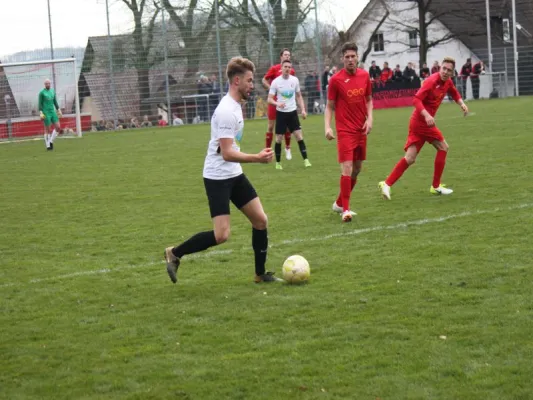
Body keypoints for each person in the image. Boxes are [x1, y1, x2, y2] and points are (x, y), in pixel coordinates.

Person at [164, 56, 279, 284]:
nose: (251, 85)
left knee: (260, 220)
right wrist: (256, 158)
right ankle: (174, 253)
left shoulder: (236, 106)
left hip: (234, 174)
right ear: (236, 80)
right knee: (221, 235)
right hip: (217, 177)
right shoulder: (226, 110)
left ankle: (260, 273)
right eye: (248, 80)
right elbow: (226, 152)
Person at [379, 57, 469, 200]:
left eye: (449, 70)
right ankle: (435, 186)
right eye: (443, 68)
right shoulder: (431, 81)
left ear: (452, 72)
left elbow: (454, 92)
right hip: (421, 122)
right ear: (440, 68)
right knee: (443, 147)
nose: (445, 72)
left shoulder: (447, 82)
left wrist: (461, 104)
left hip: (421, 123)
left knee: (410, 158)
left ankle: (387, 184)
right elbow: (416, 99)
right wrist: (427, 115)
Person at [325, 42, 373, 223]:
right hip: (344, 130)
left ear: (357, 57)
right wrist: (327, 127)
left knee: (357, 169)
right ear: (342, 59)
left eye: (353, 56)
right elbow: (329, 107)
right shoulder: (336, 80)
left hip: (361, 130)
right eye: (347, 57)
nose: (350, 60)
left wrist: (370, 119)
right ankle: (345, 210)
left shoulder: (365, 76)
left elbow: (369, 100)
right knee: (347, 167)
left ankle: (339, 203)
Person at [268, 59, 311, 170]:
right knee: (278, 138)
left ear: (291, 69)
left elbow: (299, 95)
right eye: (285, 67)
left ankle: (306, 160)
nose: (287, 69)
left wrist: (303, 109)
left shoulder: (294, 80)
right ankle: (278, 163)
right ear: (281, 68)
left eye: (289, 67)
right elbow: (269, 99)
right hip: (281, 113)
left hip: (292, 112)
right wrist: (277, 103)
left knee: (299, 136)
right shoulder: (276, 82)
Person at [262, 48, 295, 160]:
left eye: (289, 55)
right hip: (274, 102)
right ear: (281, 57)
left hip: (285, 103)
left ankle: (288, 148)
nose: (287, 57)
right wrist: (271, 89)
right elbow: (264, 80)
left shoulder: (292, 71)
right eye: (285, 55)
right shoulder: (274, 69)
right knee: (271, 126)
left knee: (286, 127)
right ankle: (267, 150)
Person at [38, 79, 62, 150]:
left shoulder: (52, 91)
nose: (48, 85)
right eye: (46, 84)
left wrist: (58, 109)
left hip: (52, 111)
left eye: (49, 83)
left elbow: (55, 101)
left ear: (50, 84)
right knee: (48, 130)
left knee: (58, 127)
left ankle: (51, 141)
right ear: (44, 84)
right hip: (46, 112)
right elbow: (40, 103)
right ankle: (48, 145)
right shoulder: (42, 93)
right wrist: (41, 112)